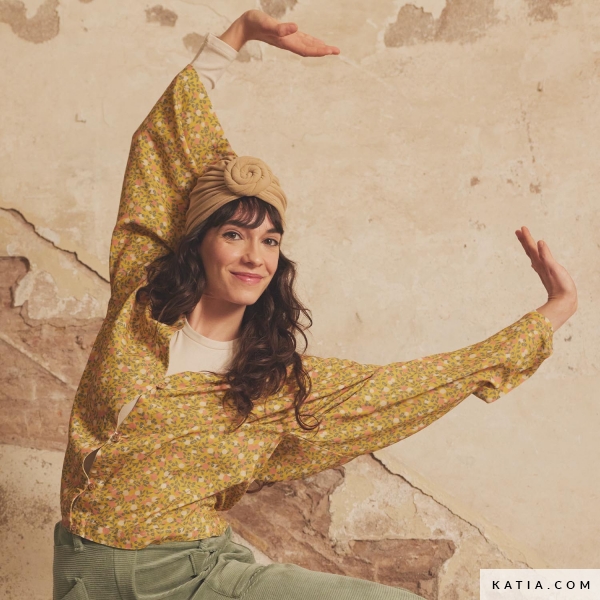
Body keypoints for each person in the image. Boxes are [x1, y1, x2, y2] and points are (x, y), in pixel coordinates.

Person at [52, 9, 577, 600]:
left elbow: (419, 385)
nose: (254, 256)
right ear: (198, 241)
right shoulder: (139, 305)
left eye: (270, 241)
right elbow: (158, 148)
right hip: (84, 576)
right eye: (234, 234)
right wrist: (238, 36)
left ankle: (569, 589)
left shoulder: (275, 383)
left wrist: (554, 312)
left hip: (198, 574)